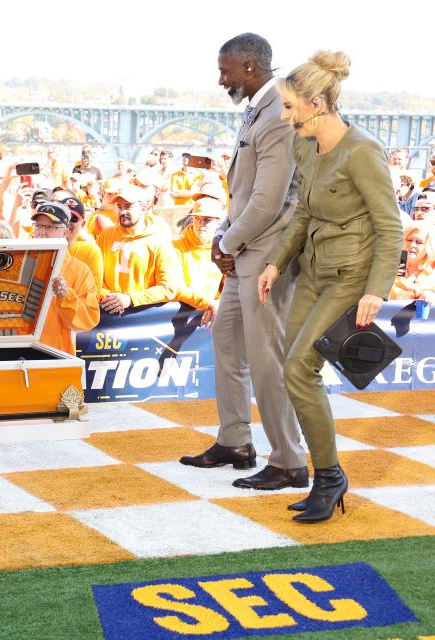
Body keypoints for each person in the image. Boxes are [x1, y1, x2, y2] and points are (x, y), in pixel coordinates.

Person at [258, 51, 402, 523]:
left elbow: (389, 226)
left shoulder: (362, 151)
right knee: (294, 371)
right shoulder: (304, 146)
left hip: (350, 279)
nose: (284, 116)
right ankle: (327, 475)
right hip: (313, 274)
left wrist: (376, 290)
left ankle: (328, 476)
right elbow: (302, 212)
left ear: (317, 103)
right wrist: (277, 263)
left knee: (299, 369)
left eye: (290, 107)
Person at [180, 33, 308, 494]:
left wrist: (226, 243)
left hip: (266, 255)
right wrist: (228, 240)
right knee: (228, 343)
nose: (221, 79)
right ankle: (235, 442)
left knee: (266, 359)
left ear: (251, 67)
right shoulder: (260, 106)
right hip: (244, 251)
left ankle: (290, 461)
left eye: (226, 70)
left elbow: (269, 200)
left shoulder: (277, 114)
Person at [96, 184, 180, 314]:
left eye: (128, 207)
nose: (122, 212)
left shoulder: (159, 240)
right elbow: (93, 276)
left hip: (141, 318)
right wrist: (108, 296)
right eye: (119, 207)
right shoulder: (105, 236)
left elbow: (168, 287)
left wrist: (130, 299)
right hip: (107, 315)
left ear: (143, 208)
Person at [31, 202, 99, 355]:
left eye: (50, 227)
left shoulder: (80, 270)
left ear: (65, 231)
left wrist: (65, 296)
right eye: (38, 226)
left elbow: (88, 320)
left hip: (54, 354)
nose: (42, 232)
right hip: (15, 352)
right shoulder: (21, 261)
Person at [173, 189, 226, 327]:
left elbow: (230, 285)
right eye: (197, 218)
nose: (200, 224)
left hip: (211, 315)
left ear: (218, 222)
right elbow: (173, 286)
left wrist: (219, 302)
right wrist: (207, 303)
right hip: (178, 314)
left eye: (207, 220)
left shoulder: (225, 248)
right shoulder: (175, 247)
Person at [390, 222, 435, 303]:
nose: (412, 245)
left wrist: (431, 295)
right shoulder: (393, 263)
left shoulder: (433, 268)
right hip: (391, 313)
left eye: (419, 242)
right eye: (409, 240)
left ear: (429, 246)